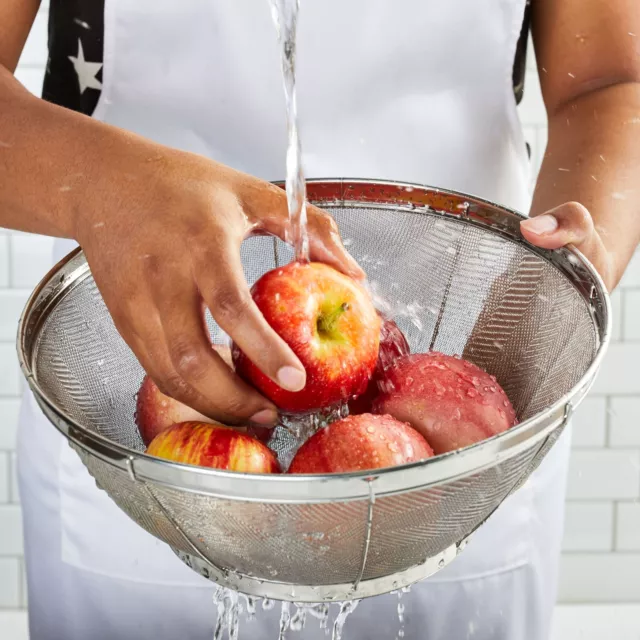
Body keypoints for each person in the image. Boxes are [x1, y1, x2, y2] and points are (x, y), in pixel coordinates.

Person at [2, 0, 639, 638]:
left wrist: (551, 291)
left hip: (460, 448)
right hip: (152, 467)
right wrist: (99, 185)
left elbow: (610, 78)